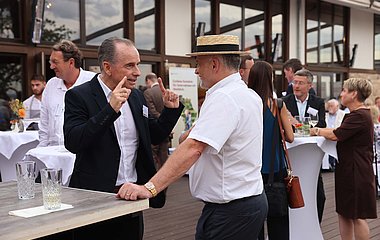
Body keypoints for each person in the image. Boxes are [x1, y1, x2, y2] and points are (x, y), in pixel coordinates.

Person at [117, 34, 268, 240]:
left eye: (199, 64)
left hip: (231, 210)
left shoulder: (224, 98)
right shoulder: (246, 94)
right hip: (242, 204)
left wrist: (149, 188)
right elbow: (191, 139)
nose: (196, 70)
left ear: (214, 64)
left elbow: (193, 147)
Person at [64, 37, 183, 240]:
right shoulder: (79, 96)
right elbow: (74, 142)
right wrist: (109, 110)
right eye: (130, 65)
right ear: (107, 67)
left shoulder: (136, 96)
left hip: (131, 196)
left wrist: (170, 112)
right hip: (94, 198)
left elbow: (153, 136)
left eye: (137, 64)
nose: (137, 72)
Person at [310, 78, 377, 240]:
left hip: (356, 172)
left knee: (357, 216)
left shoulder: (359, 115)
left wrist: (315, 130)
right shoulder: (356, 115)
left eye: (345, 90)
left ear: (354, 94)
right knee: (345, 213)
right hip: (349, 170)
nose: (341, 94)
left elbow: (335, 134)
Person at [248, 61, 294, 240]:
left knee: (254, 222)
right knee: (279, 220)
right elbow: (289, 137)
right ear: (270, 79)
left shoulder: (248, 105)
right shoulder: (278, 105)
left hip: (252, 169)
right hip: (276, 168)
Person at [282, 68, 327, 223]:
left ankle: (314, 225)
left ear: (309, 85)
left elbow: (321, 125)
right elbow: (282, 126)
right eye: (295, 82)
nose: (296, 86)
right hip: (291, 154)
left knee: (318, 196)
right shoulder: (284, 102)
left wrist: (297, 124)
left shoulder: (318, 102)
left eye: (301, 83)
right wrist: (306, 128)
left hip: (311, 154)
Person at [39, 40, 96, 147]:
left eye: (55, 62)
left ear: (71, 62)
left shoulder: (93, 82)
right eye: (50, 62)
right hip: (53, 154)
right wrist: (43, 150)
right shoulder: (51, 85)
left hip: (83, 154)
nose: (51, 66)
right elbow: (44, 123)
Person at [143, 72, 170, 170]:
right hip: (165, 130)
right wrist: (166, 121)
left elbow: (151, 111)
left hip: (153, 128)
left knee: (153, 156)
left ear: (148, 81)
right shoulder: (166, 91)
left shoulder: (147, 93)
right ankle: (165, 182)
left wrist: (161, 119)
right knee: (164, 156)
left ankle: (154, 181)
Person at [325, 98, 346, 170]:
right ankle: (327, 165)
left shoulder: (343, 114)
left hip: (338, 136)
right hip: (327, 136)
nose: (329, 107)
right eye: (329, 106)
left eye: (332, 106)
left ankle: (334, 163)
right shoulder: (325, 115)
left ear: (337, 106)